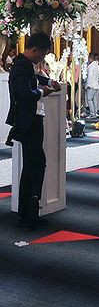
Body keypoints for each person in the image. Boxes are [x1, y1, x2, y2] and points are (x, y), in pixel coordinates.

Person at [6, 33, 61, 229]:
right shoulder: (22, 65)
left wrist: (48, 82)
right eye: (43, 54)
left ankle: (28, 210)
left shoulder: (23, 64)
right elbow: (25, 94)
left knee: (34, 164)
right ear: (35, 50)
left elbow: (33, 77)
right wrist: (42, 91)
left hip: (29, 120)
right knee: (34, 165)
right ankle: (28, 211)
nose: (42, 58)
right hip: (29, 121)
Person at [85, 52, 99, 121]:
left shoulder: (91, 66)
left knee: (89, 99)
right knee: (94, 99)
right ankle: (95, 112)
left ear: (90, 58)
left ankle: (92, 113)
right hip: (96, 84)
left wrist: (88, 85)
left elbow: (90, 76)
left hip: (91, 85)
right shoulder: (97, 65)